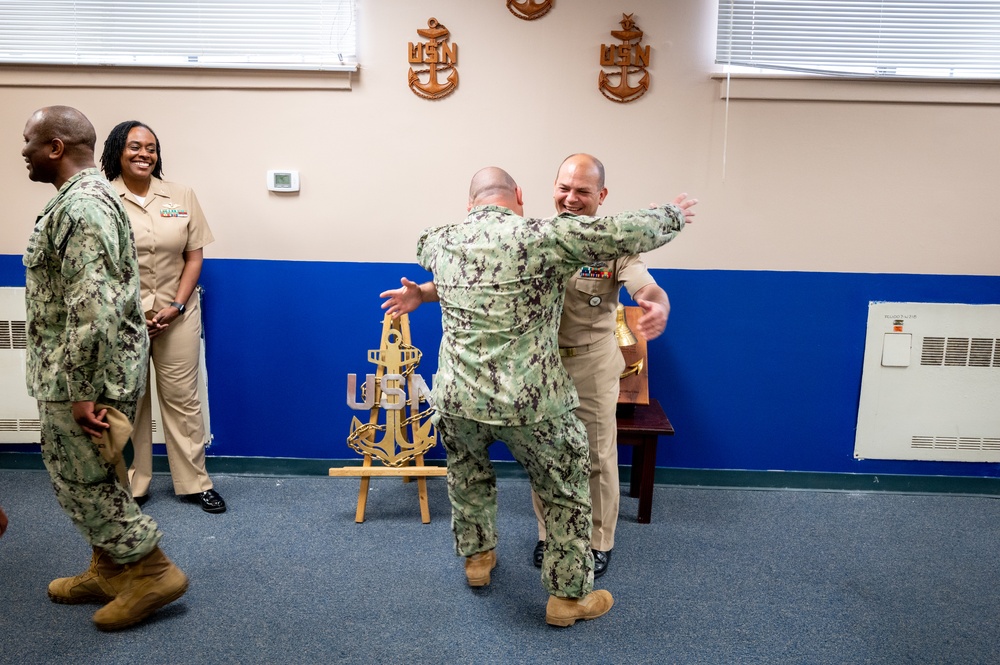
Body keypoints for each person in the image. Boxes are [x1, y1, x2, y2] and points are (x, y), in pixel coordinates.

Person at [385, 166, 695, 626]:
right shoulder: (544, 235)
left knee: (467, 480)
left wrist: (424, 295)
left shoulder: (435, 239)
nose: (571, 197)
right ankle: (566, 600)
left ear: (471, 203)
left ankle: (477, 561)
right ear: (523, 196)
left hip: (458, 398)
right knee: (567, 491)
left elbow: (473, 274)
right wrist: (671, 215)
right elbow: (623, 230)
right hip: (530, 400)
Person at [20, 105, 188, 630]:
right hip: (81, 371)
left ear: (55, 148)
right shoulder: (87, 199)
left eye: (28, 141)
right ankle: (110, 567)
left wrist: (81, 388)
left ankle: (150, 570)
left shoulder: (85, 206)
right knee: (97, 474)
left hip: (81, 378)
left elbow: (94, 308)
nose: (21, 150)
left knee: (83, 480)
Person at [529, 153, 675, 577]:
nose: (570, 199)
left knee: (595, 456)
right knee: (545, 456)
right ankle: (550, 535)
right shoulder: (535, 238)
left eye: (582, 191)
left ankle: (597, 540)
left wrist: (657, 305)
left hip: (592, 366)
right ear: (553, 187)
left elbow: (647, 287)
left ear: (601, 195)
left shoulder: (615, 245)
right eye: (564, 188)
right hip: (541, 365)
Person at [100, 121, 225, 514]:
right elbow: (98, 264)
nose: (144, 154)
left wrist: (176, 306)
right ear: (118, 150)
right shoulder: (103, 197)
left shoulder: (180, 195)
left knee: (182, 399)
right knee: (128, 402)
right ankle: (133, 484)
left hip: (178, 313)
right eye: (135, 146)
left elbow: (194, 255)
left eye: (151, 148)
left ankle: (194, 482)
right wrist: (132, 310)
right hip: (123, 318)